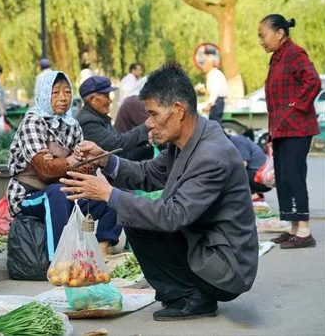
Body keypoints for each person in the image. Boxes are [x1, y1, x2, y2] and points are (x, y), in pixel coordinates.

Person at [60, 63, 258, 321]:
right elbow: (148, 173)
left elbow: (173, 216)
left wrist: (109, 194)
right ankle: (186, 292)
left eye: (153, 114)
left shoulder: (211, 155)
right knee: (134, 217)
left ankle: (194, 297)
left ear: (178, 110)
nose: (149, 124)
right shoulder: (188, 139)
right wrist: (104, 159)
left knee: (136, 214)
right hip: (204, 242)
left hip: (226, 267)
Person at [7, 70, 121, 256]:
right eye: (55, 93)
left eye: (67, 92)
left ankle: (101, 252)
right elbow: (45, 171)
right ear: (44, 94)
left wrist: (62, 162)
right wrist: (71, 158)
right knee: (56, 193)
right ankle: (60, 262)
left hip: (65, 189)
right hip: (28, 196)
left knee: (112, 197)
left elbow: (86, 166)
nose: (63, 98)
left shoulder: (72, 124)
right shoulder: (32, 122)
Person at [258, 14, 321, 249]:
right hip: (282, 129)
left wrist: (296, 107)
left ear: (280, 33)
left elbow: (313, 81)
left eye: (263, 36)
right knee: (283, 178)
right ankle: (293, 228)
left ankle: (304, 232)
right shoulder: (277, 57)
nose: (261, 41)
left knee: (294, 177)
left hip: (297, 128)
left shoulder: (294, 53)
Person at [76, 76, 155, 162]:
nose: (110, 100)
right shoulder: (88, 121)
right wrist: (145, 127)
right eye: (106, 96)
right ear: (92, 100)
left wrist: (147, 144)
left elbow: (121, 156)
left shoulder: (100, 117)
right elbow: (117, 144)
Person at [195, 50, 228, 125]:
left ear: (210, 64)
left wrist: (209, 105)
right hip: (217, 101)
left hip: (216, 102)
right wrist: (205, 90)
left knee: (215, 124)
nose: (202, 67)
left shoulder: (213, 75)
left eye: (204, 64)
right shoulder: (214, 73)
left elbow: (215, 92)